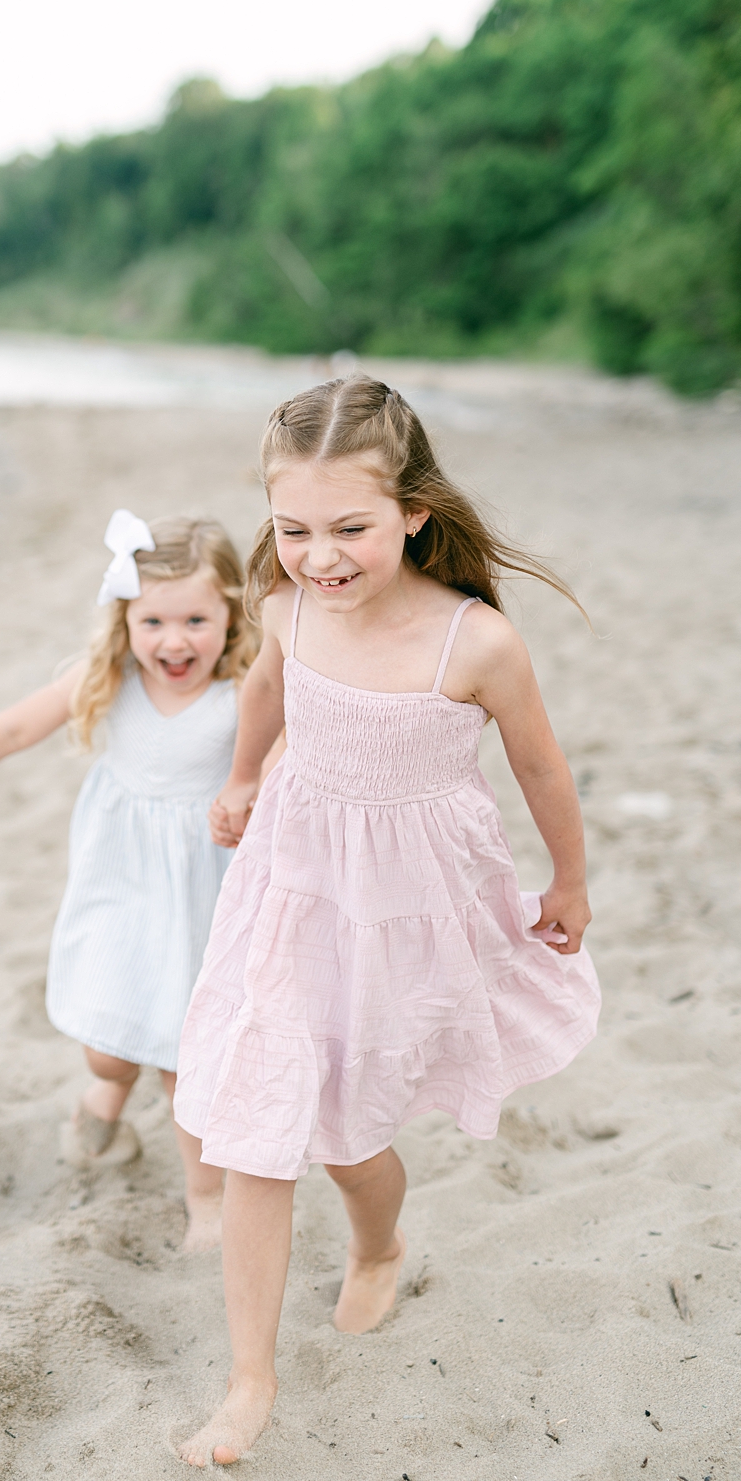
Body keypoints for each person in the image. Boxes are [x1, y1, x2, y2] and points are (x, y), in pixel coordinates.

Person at [173, 377, 601, 1468]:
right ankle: (247, 1382)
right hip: (289, 881)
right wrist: (237, 776)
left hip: (406, 907)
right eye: (293, 528)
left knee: (351, 1141)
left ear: (412, 510)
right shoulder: (284, 604)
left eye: (348, 528)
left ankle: (376, 1247)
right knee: (258, 1124)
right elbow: (265, 689)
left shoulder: (476, 642)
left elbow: (539, 765)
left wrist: (567, 881)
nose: (319, 555)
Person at [0, 512, 255, 1249]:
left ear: (232, 612)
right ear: (126, 619)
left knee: (182, 1054)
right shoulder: (112, 679)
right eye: (154, 621)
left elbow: (277, 766)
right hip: (120, 880)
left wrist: (255, 796)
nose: (175, 641)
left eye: (197, 619)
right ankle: (107, 1093)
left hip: (204, 888)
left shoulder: (243, 692)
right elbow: (15, 727)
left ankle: (206, 1200)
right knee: (109, 1042)